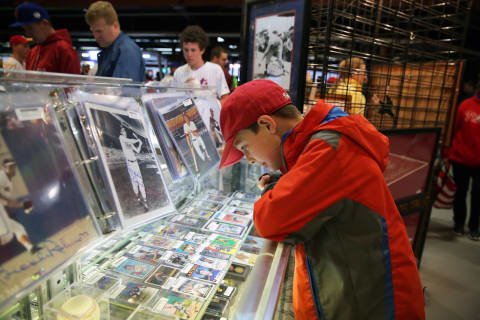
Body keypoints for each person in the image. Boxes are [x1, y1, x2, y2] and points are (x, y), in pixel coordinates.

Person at [218, 79, 425, 319]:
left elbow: (270, 220)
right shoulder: (316, 143)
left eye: (245, 148)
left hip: (376, 306)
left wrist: (269, 192)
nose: (249, 159)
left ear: (266, 124)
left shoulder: (329, 149)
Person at [10, 2, 80, 74]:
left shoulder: (64, 50)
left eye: (30, 28)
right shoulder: (33, 52)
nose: (28, 34)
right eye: (25, 29)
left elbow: (73, 84)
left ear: (44, 23)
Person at [448, 88, 480, 241]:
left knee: (478, 195)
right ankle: (459, 223)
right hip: (461, 159)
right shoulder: (465, 105)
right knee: (461, 192)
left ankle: (475, 226)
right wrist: (451, 150)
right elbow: (454, 129)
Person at [85, 1, 145, 82]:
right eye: (93, 31)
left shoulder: (127, 51)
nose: (96, 36)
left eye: (99, 31)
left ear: (115, 25)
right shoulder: (109, 50)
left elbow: (124, 91)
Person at [173, 25, 230, 104]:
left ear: (202, 50)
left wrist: (211, 108)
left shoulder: (215, 70)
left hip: (210, 116)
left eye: (193, 50)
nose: (189, 54)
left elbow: (226, 99)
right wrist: (185, 93)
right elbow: (176, 103)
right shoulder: (179, 72)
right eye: (186, 50)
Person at [0, 159, 38, 253]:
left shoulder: (9, 182)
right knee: (6, 235)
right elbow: (7, 200)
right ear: (4, 168)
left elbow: (8, 203)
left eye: (14, 166)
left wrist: (22, 205)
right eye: (10, 167)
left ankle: (30, 248)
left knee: (18, 228)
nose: (13, 169)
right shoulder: (2, 176)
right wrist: (9, 200)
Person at [118, 127, 148, 210]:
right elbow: (130, 140)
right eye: (122, 131)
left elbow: (137, 151)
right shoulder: (121, 138)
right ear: (120, 133)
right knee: (134, 182)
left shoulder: (130, 143)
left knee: (140, 181)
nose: (123, 132)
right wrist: (137, 140)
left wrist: (140, 144)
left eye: (124, 130)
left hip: (135, 163)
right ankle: (138, 198)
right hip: (129, 164)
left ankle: (145, 199)